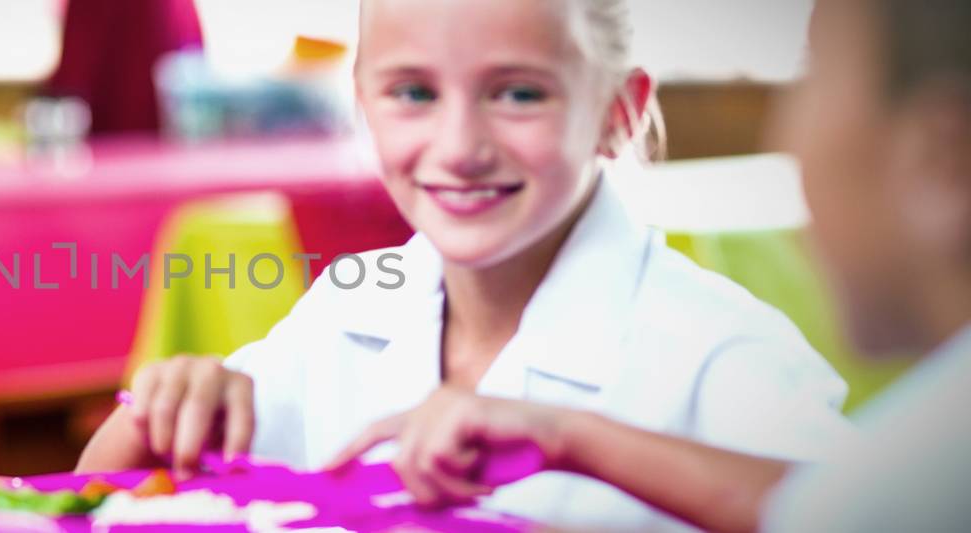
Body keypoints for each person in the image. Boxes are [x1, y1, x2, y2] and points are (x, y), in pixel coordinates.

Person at [78, 0, 853, 529]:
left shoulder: (717, 349)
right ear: (361, 103)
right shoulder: (350, 307)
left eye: (518, 93)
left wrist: (568, 436)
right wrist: (158, 415)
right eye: (412, 92)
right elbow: (89, 493)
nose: (459, 147)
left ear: (616, 112)